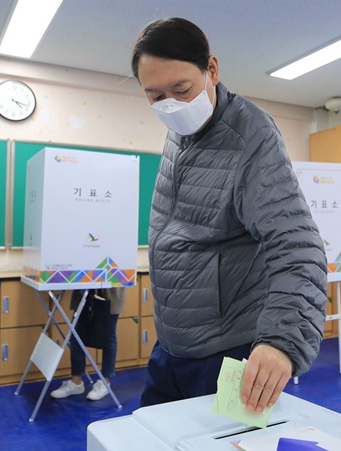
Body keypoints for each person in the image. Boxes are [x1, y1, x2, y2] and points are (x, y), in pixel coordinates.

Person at [131, 18, 329, 413]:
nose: (171, 105)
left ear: (212, 70)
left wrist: (281, 341)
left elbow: (299, 247)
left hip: (228, 352)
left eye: (182, 89)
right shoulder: (180, 130)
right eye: (155, 96)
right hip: (172, 346)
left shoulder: (250, 135)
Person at [50, 287, 126, 401]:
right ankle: (76, 382)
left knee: (108, 335)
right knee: (76, 334)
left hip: (111, 287)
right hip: (84, 287)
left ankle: (105, 382)